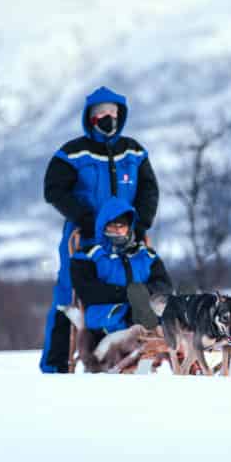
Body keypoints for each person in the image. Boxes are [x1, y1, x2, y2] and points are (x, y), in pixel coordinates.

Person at [39, 86, 159, 373]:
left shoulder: (134, 151)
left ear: (121, 115)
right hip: (84, 239)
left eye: (113, 113)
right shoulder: (73, 152)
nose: (108, 118)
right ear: (90, 117)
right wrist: (85, 217)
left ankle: (135, 356)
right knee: (67, 298)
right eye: (101, 113)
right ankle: (56, 365)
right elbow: (53, 189)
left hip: (127, 237)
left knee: (139, 290)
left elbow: (149, 190)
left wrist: (139, 225)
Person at [69, 197, 172, 363]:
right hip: (107, 317)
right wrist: (128, 295)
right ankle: (148, 334)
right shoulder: (87, 256)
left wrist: (142, 295)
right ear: (103, 227)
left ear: (129, 227)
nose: (117, 230)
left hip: (147, 310)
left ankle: (185, 344)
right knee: (136, 303)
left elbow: (164, 286)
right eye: (112, 225)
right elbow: (87, 291)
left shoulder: (146, 256)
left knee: (168, 305)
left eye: (121, 226)